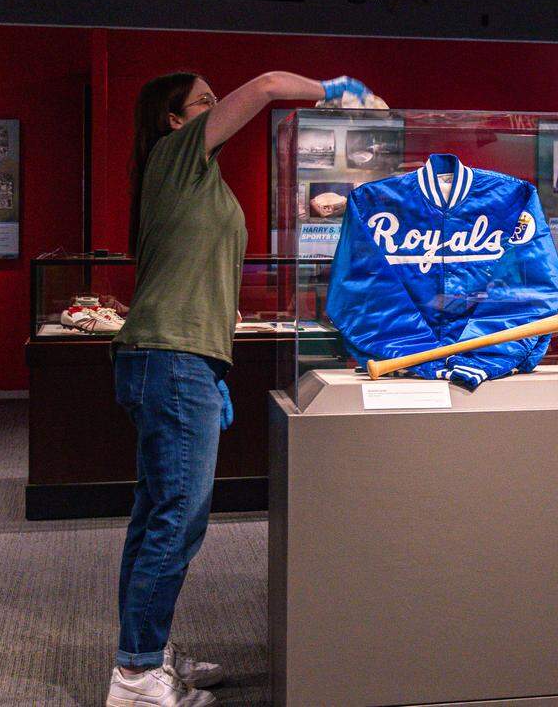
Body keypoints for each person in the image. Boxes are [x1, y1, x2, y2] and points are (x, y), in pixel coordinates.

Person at [108, 71, 384, 706]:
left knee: (157, 513)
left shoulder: (194, 178)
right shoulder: (174, 156)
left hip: (178, 359)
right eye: (203, 100)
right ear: (173, 121)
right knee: (178, 518)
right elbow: (263, 87)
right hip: (172, 359)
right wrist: (337, 90)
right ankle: (136, 678)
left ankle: (145, 652)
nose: (214, 105)